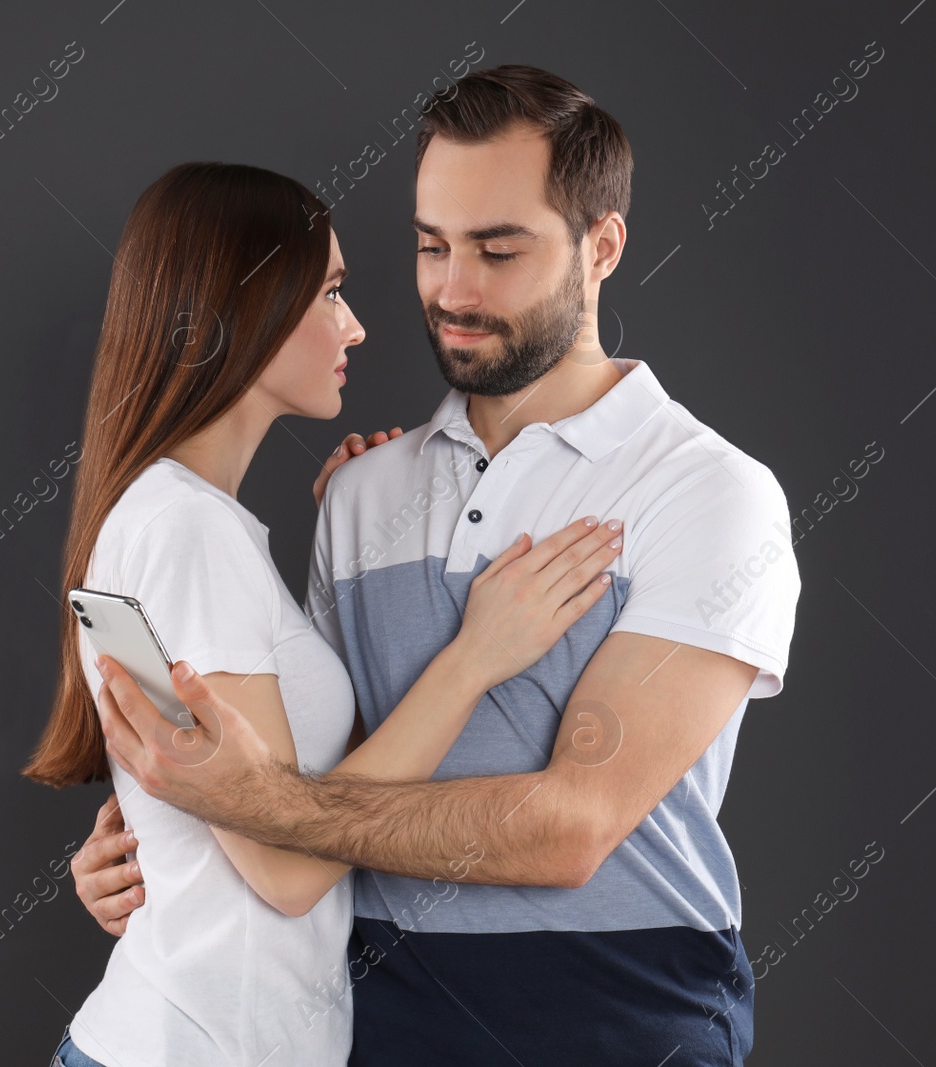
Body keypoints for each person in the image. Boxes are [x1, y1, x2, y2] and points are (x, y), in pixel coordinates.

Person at [72, 66, 803, 1066]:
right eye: (431, 246)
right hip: (379, 1025)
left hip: (621, 1022)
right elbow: (328, 763)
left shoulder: (708, 492)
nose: (452, 289)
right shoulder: (360, 498)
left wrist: (244, 806)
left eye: (498, 250)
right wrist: (166, 830)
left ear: (602, 247)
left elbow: (572, 825)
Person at [21, 159, 627, 1067]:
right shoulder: (188, 531)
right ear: (245, 307)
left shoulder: (183, 520)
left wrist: (357, 530)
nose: (357, 323)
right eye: (331, 290)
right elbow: (289, 865)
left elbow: (238, 800)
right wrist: (474, 656)